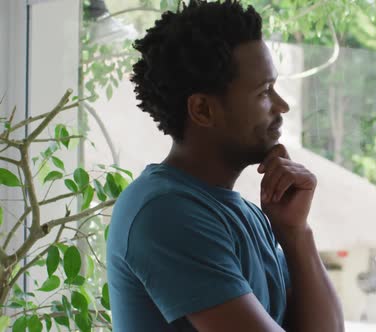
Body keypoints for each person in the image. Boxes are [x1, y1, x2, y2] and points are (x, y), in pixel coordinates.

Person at [105, 1, 344, 331]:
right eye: (264, 92)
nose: (282, 106)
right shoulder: (166, 212)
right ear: (202, 109)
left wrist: (295, 232)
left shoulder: (248, 214)